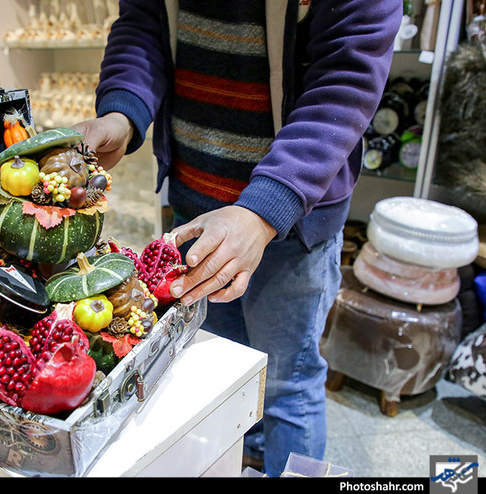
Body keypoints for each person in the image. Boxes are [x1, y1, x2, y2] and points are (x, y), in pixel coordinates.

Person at [73, 0, 401, 476]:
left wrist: (263, 211)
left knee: (288, 386)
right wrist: (123, 113)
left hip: (293, 218)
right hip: (195, 205)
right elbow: (143, 25)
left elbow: (346, 78)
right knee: (217, 369)